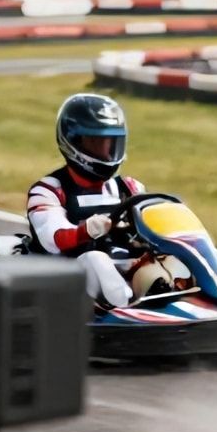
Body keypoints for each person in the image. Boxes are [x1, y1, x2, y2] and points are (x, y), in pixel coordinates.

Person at [26, 94, 148, 308]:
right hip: (69, 281)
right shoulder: (49, 189)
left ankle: (205, 301)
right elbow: (52, 238)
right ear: (73, 141)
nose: (105, 150)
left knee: (170, 258)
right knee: (96, 260)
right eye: (96, 141)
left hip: (124, 266)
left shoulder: (129, 188)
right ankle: (128, 316)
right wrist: (87, 230)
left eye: (111, 142)